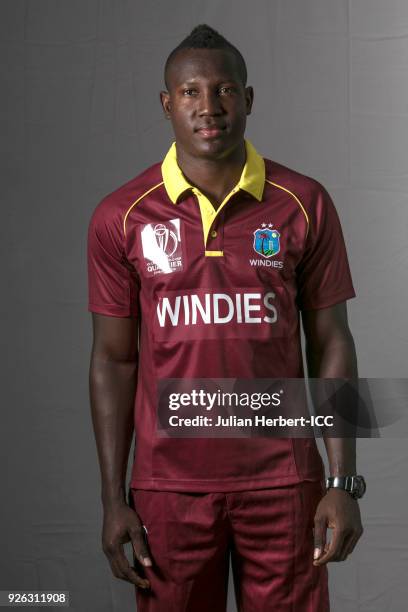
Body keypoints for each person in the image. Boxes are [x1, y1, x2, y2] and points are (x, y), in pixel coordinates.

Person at [87, 24, 365, 612]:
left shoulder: (303, 202)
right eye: (189, 92)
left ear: (249, 98)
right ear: (167, 104)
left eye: (224, 90)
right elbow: (113, 359)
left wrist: (341, 483)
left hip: (285, 483)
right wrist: (113, 498)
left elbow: (332, 341)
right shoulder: (122, 214)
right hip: (168, 489)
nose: (208, 107)